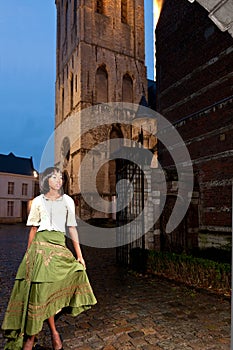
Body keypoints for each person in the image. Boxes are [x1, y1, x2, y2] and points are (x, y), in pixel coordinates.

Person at [2, 167, 97, 350]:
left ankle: (50, 334)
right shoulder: (38, 201)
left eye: (61, 177)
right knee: (39, 294)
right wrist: (28, 255)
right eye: (54, 177)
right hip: (39, 249)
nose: (59, 180)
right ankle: (35, 337)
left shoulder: (68, 201)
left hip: (59, 249)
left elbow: (72, 228)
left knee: (54, 289)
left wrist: (79, 256)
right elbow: (33, 229)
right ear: (46, 180)